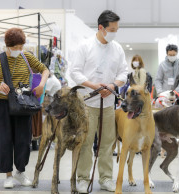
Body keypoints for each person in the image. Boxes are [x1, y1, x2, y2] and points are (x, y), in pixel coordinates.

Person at [0, 28, 49, 189]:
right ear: (8, 45)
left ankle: (20, 171)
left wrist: (41, 85)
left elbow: (45, 70)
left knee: (23, 140)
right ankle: (8, 175)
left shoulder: (26, 57)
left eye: (21, 47)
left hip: (22, 104)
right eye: (16, 47)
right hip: (2, 104)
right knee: (4, 140)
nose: (19, 50)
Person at [70, 10, 128, 193]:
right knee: (85, 142)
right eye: (112, 29)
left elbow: (124, 74)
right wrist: (94, 85)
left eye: (117, 29)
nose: (115, 32)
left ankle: (105, 178)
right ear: (101, 28)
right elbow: (75, 72)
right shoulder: (85, 46)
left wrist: (111, 85)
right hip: (87, 104)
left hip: (109, 104)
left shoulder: (117, 48)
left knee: (107, 142)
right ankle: (83, 178)